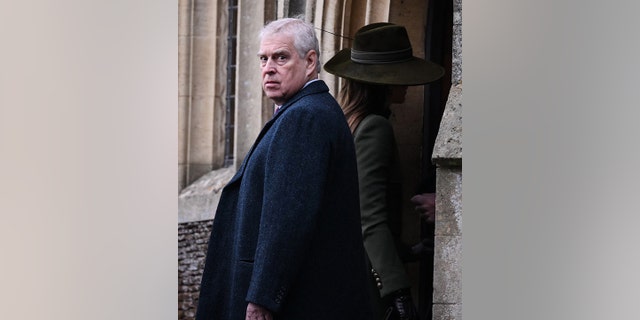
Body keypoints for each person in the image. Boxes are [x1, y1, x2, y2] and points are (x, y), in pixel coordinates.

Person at [195, 17, 372, 320]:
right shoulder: (304, 112)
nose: (268, 68)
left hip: (296, 303)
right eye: (263, 59)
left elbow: (288, 217)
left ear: (310, 61)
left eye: (281, 57)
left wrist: (263, 297)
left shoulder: (305, 118)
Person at [324, 23, 444, 320]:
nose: (407, 85)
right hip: (368, 279)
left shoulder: (348, 124)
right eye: (402, 74)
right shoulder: (374, 127)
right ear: (386, 82)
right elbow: (369, 215)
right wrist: (397, 291)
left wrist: (409, 251)